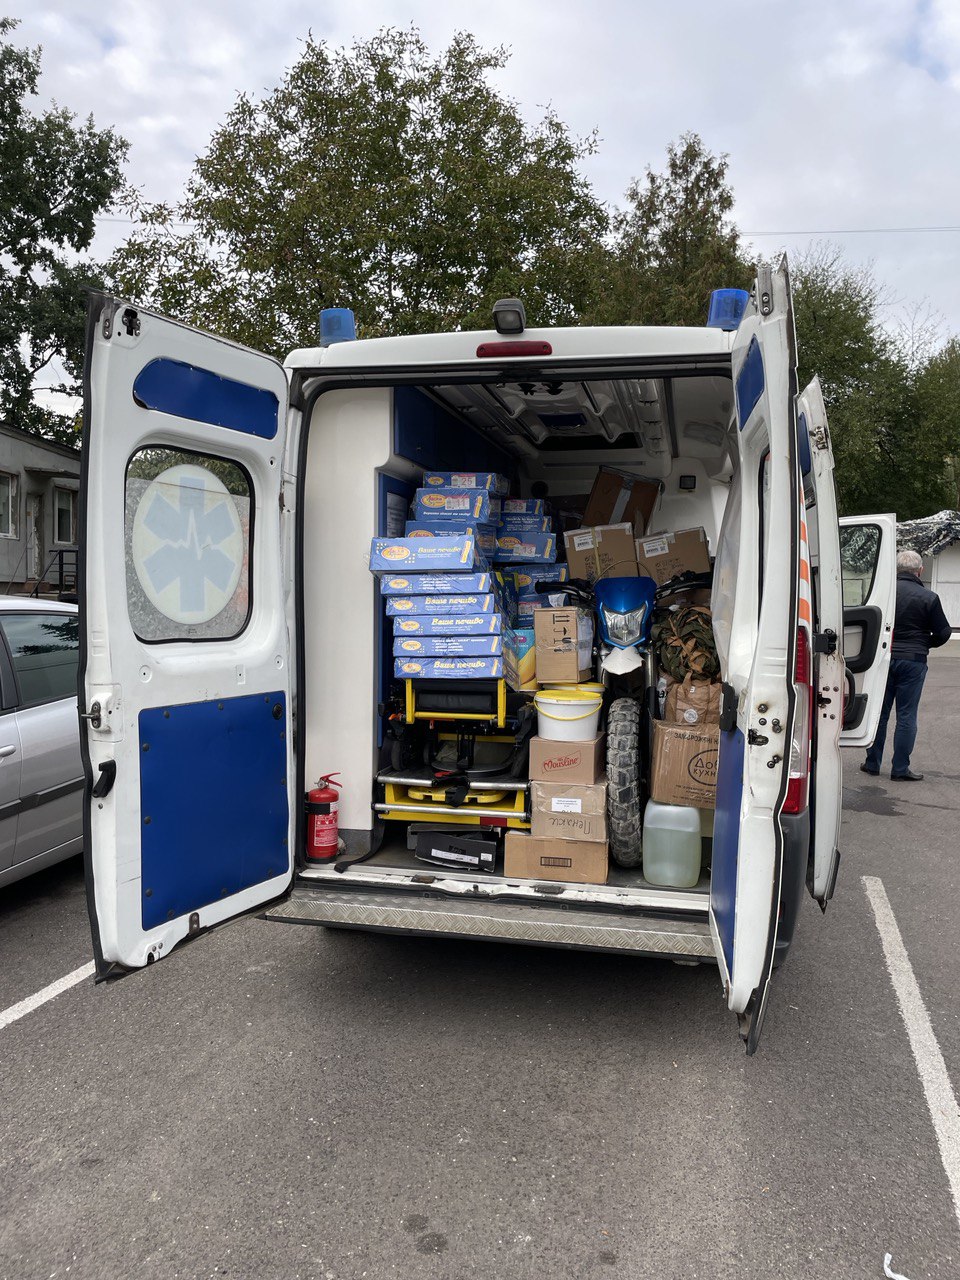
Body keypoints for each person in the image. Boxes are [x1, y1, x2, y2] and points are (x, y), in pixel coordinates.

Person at [861, 549, 951, 781]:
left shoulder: (885, 595)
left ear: (897, 570)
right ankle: (900, 769)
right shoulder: (929, 597)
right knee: (906, 715)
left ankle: (872, 763)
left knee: (880, 714)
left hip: (884, 658)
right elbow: (944, 632)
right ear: (920, 570)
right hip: (913, 661)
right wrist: (924, 643)